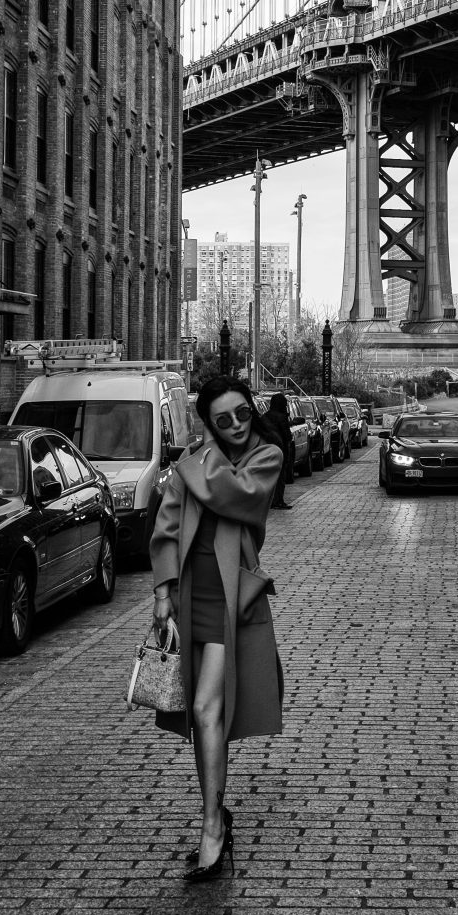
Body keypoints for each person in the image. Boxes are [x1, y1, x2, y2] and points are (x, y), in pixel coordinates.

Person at [150, 374, 284, 883]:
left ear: (252, 410)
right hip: (189, 597)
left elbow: (237, 496)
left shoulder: (264, 457)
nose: (235, 426)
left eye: (242, 414)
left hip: (232, 601)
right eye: (222, 419)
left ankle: (211, 826)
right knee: (200, 715)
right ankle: (215, 815)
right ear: (209, 422)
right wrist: (162, 593)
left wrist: (190, 464)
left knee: (208, 709)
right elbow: (165, 526)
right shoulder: (195, 461)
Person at [262, 392, 293, 509]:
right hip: (280, 450)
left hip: (266, 451)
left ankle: (269, 501)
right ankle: (278, 501)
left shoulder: (265, 417)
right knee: (280, 477)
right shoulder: (282, 417)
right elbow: (287, 436)